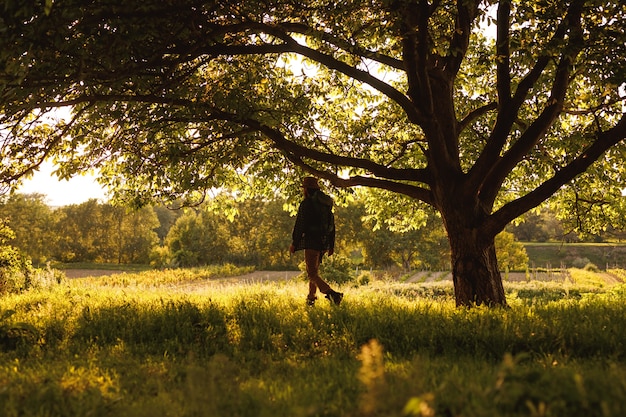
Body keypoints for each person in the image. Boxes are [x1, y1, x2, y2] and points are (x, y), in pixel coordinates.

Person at [289, 176, 343, 306]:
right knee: (313, 271)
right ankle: (311, 299)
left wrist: (294, 243)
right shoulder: (325, 204)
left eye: (304, 189)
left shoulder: (306, 204)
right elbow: (332, 225)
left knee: (312, 273)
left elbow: (300, 224)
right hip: (323, 242)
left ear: (307, 189)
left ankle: (332, 294)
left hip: (312, 242)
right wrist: (331, 245)